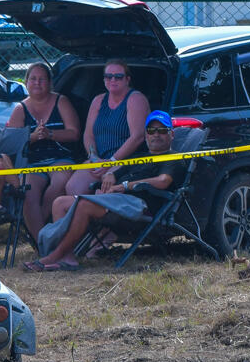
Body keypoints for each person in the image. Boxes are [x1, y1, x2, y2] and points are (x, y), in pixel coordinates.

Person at [25, 111, 183, 271]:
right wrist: (110, 175)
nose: (156, 135)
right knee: (60, 203)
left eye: (162, 130)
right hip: (116, 200)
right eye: (151, 130)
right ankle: (67, 256)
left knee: (84, 204)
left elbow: (163, 181)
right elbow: (115, 173)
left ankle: (54, 257)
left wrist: (126, 185)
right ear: (146, 135)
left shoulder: (173, 157)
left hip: (140, 206)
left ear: (172, 134)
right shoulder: (139, 157)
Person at [5, 63, 80, 236]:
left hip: (60, 157)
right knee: (28, 190)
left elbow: (74, 133)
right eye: (33, 79)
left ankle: (46, 232)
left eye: (42, 79)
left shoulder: (61, 101)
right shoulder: (20, 109)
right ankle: (40, 241)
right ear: (26, 82)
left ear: (49, 82)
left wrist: (50, 134)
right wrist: (32, 137)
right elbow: (11, 143)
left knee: (60, 183)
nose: (37, 83)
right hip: (33, 161)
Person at [65, 59, 150, 196]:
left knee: (104, 192)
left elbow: (137, 136)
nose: (113, 80)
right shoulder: (98, 100)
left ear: (127, 79)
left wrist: (111, 161)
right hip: (100, 159)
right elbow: (88, 134)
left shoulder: (135, 99)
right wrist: (94, 158)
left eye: (118, 77)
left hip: (126, 160)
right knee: (73, 188)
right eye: (108, 76)